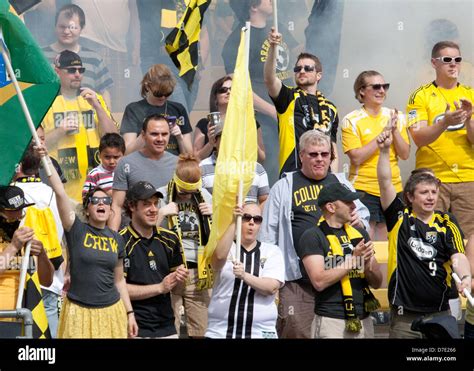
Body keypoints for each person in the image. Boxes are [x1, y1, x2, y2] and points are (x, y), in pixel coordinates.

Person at [260, 130, 370, 338]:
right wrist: (271, 276)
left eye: (324, 154)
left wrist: (360, 221)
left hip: (340, 281)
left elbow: (364, 219)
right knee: (297, 332)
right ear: (301, 156)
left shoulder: (342, 183)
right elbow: (267, 235)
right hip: (298, 282)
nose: (320, 159)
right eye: (313, 154)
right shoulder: (284, 187)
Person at [36, 144, 138, 338]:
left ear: (111, 209)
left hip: (111, 311)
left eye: (106, 201)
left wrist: (130, 314)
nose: (102, 204)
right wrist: (45, 158)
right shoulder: (76, 229)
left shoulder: (117, 238)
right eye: (96, 201)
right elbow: (59, 192)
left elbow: (119, 280)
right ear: (87, 209)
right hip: (78, 311)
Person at [376, 129, 471, 338]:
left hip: (440, 315)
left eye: (434, 192)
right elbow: (384, 183)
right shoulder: (399, 218)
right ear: (410, 196)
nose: (430, 197)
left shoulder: (446, 222)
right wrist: (384, 152)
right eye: (424, 192)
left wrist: (465, 276)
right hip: (404, 319)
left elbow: (458, 256)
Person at [223, 0, 299, 185]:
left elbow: (294, 61)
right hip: (265, 118)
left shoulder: (277, 27)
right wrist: (273, 111)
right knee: (272, 167)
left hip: (289, 109)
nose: (272, 1)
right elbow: (238, 86)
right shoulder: (238, 39)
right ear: (253, 6)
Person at [407, 40, 474, 236]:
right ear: (434, 63)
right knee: (429, 236)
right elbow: (418, 138)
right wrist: (444, 122)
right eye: (447, 60)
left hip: (468, 179)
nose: (453, 64)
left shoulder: (470, 94)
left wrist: (469, 118)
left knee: (469, 240)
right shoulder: (420, 96)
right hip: (431, 180)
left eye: (457, 59)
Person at [298, 183, 383, 338]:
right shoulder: (312, 236)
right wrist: (353, 260)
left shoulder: (360, 234)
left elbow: (377, 283)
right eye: (348, 202)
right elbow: (319, 281)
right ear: (331, 207)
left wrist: (367, 265)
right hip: (332, 322)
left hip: (364, 319)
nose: (353, 206)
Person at [342, 70, 410, 240]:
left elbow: (405, 154)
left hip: (393, 188)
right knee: (367, 241)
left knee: (392, 240)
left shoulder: (396, 117)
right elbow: (356, 157)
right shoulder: (351, 119)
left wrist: (393, 130)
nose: (382, 90)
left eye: (385, 86)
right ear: (362, 91)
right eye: (376, 86)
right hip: (364, 188)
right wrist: (383, 132)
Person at [42, 50, 118, 202]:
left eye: (80, 70)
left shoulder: (93, 99)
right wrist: (60, 130)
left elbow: (114, 138)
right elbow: (39, 147)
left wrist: (97, 106)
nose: (77, 74)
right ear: (58, 71)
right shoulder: (46, 103)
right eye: (71, 70)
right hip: (64, 191)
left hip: (98, 190)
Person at [264, 27, 339, 175]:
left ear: (319, 75)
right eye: (297, 69)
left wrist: (333, 179)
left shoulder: (331, 109)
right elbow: (269, 79)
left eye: (308, 68)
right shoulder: (288, 97)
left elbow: (333, 149)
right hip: (293, 174)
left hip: (323, 179)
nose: (302, 71)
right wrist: (273, 47)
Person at [120, 181, 188, 338]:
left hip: (167, 326)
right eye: (146, 204)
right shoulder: (120, 241)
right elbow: (118, 287)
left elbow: (178, 289)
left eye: (156, 204)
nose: (153, 209)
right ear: (132, 206)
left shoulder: (170, 239)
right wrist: (160, 287)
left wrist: (180, 278)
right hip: (134, 327)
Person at [206, 203, 284, 338]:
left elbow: (271, 288)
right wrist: (233, 222)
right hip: (221, 330)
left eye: (257, 219)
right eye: (246, 218)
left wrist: (244, 276)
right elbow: (217, 260)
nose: (252, 222)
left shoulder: (272, 251)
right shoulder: (225, 248)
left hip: (260, 331)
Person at [157, 154, 213, 338]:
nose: (187, 196)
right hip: (169, 268)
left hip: (198, 271)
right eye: (183, 191)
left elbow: (219, 234)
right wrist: (161, 213)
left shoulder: (204, 196)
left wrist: (213, 214)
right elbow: (146, 233)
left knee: (200, 330)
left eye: (190, 192)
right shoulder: (162, 195)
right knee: (169, 330)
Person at [13, 145, 65, 338]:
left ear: (17, 167)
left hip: (23, 280)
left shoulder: (9, 195)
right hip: (49, 279)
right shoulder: (54, 194)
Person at [109, 114, 178, 231]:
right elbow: (116, 206)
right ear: (143, 135)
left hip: (171, 237)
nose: (160, 139)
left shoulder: (178, 163)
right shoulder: (126, 163)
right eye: (154, 134)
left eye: (164, 134)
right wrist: (113, 240)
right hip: (136, 238)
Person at [42, 4, 113, 107]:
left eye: (72, 27)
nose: (66, 31)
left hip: (86, 121)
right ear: (55, 26)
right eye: (62, 26)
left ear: (82, 28)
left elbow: (104, 94)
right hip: (48, 121)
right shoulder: (40, 57)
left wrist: (107, 117)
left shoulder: (95, 59)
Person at [0, 186, 54, 316]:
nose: (18, 219)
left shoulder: (27, 234)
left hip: (26, 316)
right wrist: (13, 247)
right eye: (12, 218)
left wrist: (42, 255)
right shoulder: (17, 241)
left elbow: (47, 281)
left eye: (21, 213)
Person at [120, 64, 193, 157]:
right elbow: (127, 153)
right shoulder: (134, 109)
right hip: (145, 163)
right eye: (158, 94)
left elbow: (190, 156)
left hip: (172, 164)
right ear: (147, 86)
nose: (163, 97)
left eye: (167, 94)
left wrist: (180, 137)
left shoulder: (178, 109)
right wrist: (145, 135)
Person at [193, 75, 265, 162]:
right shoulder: (205, 124)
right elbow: (195, 160)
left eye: (232, 89)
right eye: (223, 90)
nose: (228, 92)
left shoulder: (249, 122)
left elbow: (261, 159)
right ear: (215, 97)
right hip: (213, 172)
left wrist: (249, 137)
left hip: (241, 172)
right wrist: (211, 143)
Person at [200, 123, 270, 207]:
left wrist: (252, 216)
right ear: (214, 141)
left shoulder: (257, 168)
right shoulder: (202, 168)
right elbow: (200, 202)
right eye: (227, 137)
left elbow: (265, 201)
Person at [82, 133, 125, 197]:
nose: (111, 161)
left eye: (116, 157)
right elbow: (85, 196)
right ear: (99, 155)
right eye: (107, 157)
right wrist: (104, 194)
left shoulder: (126, 171)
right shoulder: (94, 174)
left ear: (123, 155)